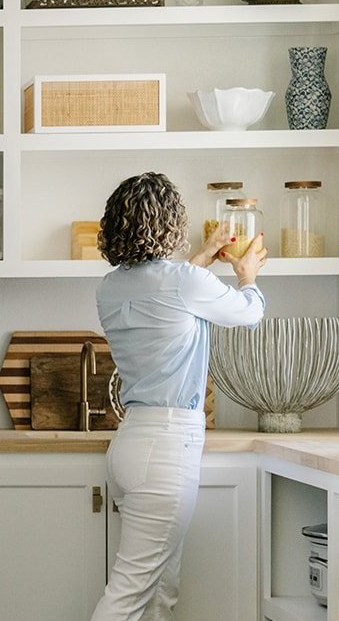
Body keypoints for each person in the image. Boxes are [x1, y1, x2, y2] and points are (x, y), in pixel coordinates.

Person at [90, 172, 267, 621]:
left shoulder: (109, 287)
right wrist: (248, 277)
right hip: (167, 450)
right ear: (172, 223)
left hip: (131, 446)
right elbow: (248, 314)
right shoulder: (184, 280)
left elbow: (167, 295)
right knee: (129, 595)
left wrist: (201, 259)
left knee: (159, 592)